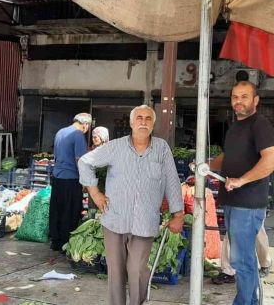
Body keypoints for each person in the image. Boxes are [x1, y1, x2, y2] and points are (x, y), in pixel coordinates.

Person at [79, 105, 184, 305]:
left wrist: (177, 214)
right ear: (131, 122)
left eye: (147, 119)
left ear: (153, 124)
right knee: (116, 271)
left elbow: (171, 180)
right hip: (115, 218)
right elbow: (84, 162)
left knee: (136, 269)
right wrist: (95, 192)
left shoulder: (162, 148)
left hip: (145, 221)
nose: (143, 122)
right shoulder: (115, 147)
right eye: (139, 118)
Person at [208, 80, 274, 305]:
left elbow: (271, 160)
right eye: (235, 97)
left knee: (242, 261)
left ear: (255, 100)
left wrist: (242, 180)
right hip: (232, 202)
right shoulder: (235, 126)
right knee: (241, 259)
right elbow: (227, 156)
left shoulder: (259, 124)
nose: (239, 101)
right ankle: (251, 301)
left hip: (247, 204)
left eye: (244, 96)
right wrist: (207, 165)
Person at [48, 112, 91, 252]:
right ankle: (65, 243)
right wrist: (85, 181)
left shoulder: (60, 132)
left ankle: (55, 242)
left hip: (57, 177)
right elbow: (80, 160)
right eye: (88, 127)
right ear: (85, 125)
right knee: (70, 212)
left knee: (57, 210)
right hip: (71, 179)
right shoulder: (78, 135)